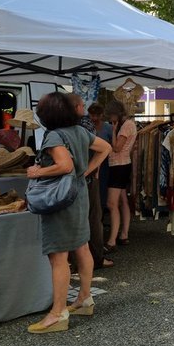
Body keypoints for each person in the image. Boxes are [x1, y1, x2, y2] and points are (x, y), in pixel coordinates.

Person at [25, 92, 112, 334]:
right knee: (81, 246)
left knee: (58, 256)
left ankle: (57, 313)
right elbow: (105, 148)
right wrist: (88, 172)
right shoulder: (80, 131)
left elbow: (64, 165)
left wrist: (37, 173)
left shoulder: (54, 135)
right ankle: (84, 298)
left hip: (61, 200)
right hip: (79, 194)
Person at [67, 95, 114, 270]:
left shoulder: (58, 125)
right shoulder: (85, 125)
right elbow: (103, 148)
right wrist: (91, 170)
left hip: (68, 178)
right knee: (93, 219)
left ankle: (72, 260)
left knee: (74, 220)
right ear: (78, 107)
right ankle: (95, 258)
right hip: (84, 179)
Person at [105, 100, 136, 249]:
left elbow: (117, 148)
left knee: (112, 204)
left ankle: (112, 240)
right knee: (123, 201)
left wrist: (112, 132)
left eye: (110, 115)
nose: (109, 119)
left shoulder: (126, 125)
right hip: (122, 165)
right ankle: (124, 234)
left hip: (119, 166)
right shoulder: (129, 124)